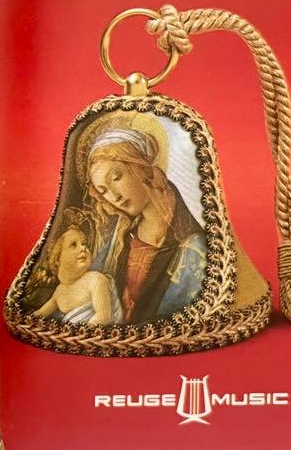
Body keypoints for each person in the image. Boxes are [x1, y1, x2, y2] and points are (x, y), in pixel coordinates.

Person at [81, 123, 206, 323]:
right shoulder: (121, 237)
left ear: (141, 167)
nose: (114, 197)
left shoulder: (193, 244)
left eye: (116, 178)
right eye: (103, 191)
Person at [30, 219, 120, 325]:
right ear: (58, 258)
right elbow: (40, 314)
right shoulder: (59, 291)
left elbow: (103, 317)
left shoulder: (96, 280)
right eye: (73, 245)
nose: (83, 248)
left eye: (84, 244)